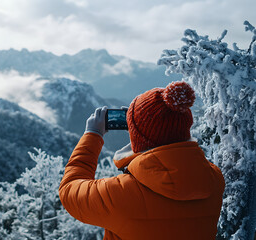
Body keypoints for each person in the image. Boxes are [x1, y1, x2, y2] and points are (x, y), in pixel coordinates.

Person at [59, 81, 225, 240]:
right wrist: (140, 133)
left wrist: (92, 135)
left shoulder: (119, 195)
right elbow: (169, 153)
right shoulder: (214, 180)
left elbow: (69, 190)